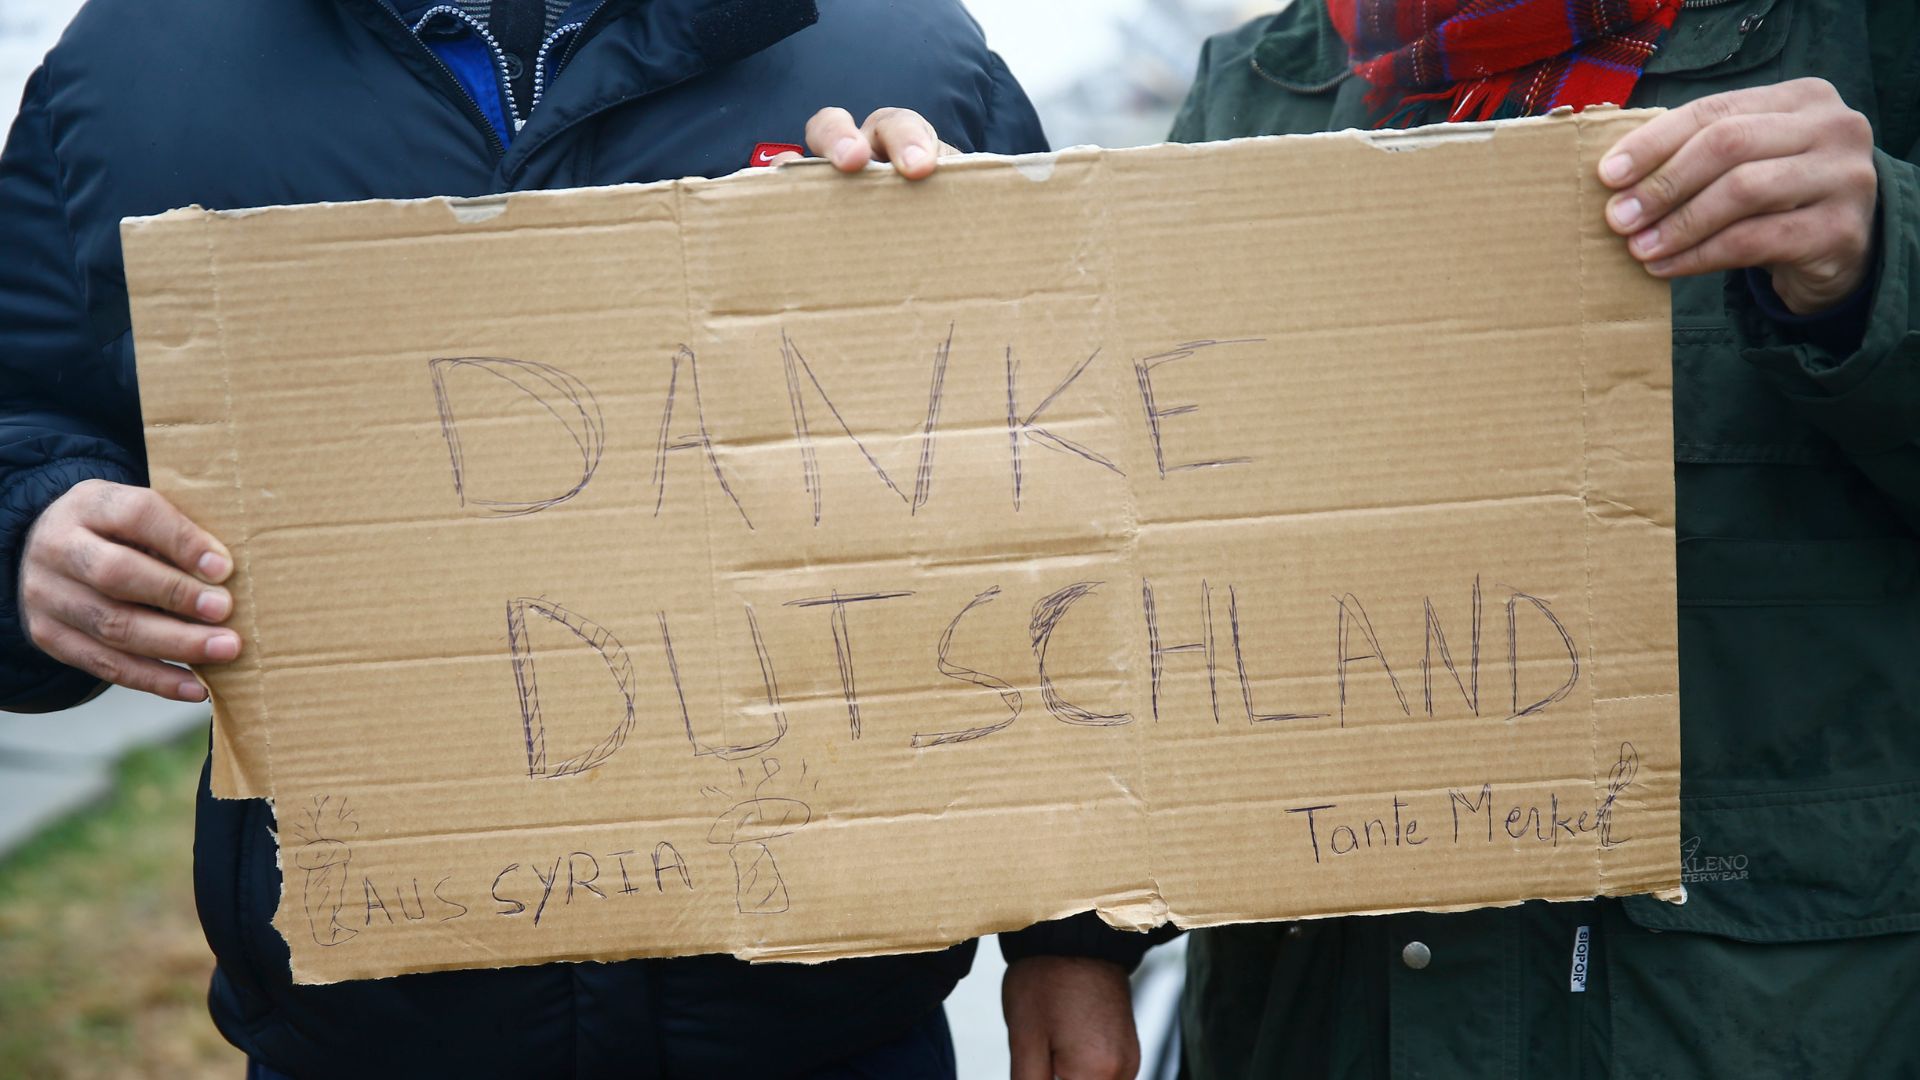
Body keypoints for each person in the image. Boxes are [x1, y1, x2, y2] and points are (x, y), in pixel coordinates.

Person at [0, 1, 1153, 1075]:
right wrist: (34, 529)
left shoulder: (900, 53)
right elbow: (25, 406)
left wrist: (1078, 938)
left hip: (827, 1024)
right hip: (368, 1025)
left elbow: (1073, 508)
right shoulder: (134, 67)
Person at [859, 0, 1919, 1075]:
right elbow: (1147, 584)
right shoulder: (1259, 86)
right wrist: (1080, 941)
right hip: (1319, 1021)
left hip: (1754, 1017)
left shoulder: (1866, 45)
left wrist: (1879, 262)